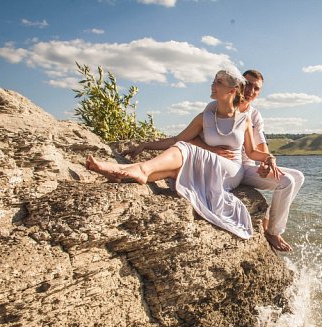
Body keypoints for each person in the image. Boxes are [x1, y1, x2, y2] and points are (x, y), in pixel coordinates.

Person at [85, 69, 282, 239]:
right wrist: (145, 145)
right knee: (174, 170)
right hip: (208, 165)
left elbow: (251, 151)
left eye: (218, 83)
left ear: (231, 90)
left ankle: (140, 171)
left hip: (231, 171)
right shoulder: (205, 116)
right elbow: (175, 139)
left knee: (185, 149)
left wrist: (268, 157)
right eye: (214, 81)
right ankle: (119, 173)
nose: (213, 85)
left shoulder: (245, 119)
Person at [191, 70, 304, 252]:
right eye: (248, 84)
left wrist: (265, 164)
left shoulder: (255, 115)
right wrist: (213, 150)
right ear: (239, 86)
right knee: (287, 181)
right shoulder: (216, 107)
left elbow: (261, 145)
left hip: (249, 167)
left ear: (259, 92)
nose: (251, 90)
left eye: (256, 88)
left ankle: (269, 221)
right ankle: (273, 232)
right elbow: (192, 136)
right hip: (230, 168)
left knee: (298, 177)